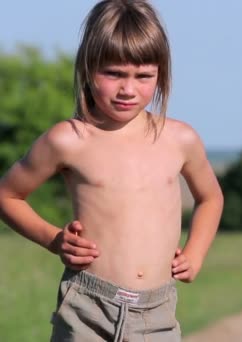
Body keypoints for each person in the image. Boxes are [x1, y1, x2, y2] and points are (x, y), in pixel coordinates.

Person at [0, 0, 224, 341]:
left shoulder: (180, 139)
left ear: (160, 74)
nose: (128, 89)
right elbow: (7, 195)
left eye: (143, 76)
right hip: (87, 308)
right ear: (89, 68)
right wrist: (53, 239)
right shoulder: (68, 139)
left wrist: (195, 252)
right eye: (114, 73)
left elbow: (210, 197)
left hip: (158, 314)